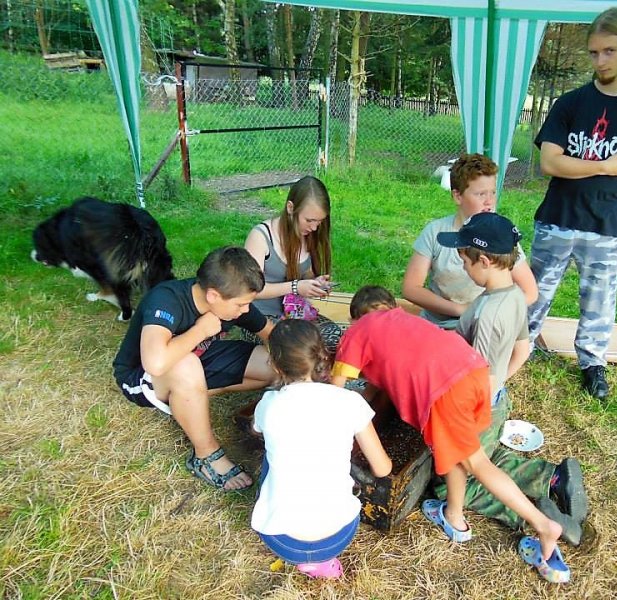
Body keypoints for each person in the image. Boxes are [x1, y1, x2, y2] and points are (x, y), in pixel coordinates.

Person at [331, 286, 569, 584]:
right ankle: (454, 517)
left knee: (477, 463)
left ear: (355, 319)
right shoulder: (406, 321)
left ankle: (543, 525)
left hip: (445, 392)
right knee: (460, 453)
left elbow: (333, 395)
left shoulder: (357, 331)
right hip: (474, 372)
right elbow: (384, 377)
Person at [528, 6, 617, 399]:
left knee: (600, 302)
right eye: (594, 53)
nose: (601, 61)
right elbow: (550, 162)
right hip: (557, 218)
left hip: (608, 225)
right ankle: (519, 345)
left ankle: (592, 364)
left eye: (609, 51)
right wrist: (603, 166)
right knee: (533, 293)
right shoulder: (571, 103)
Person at [436, 212, 589, 548]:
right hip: (495, 401)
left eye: (465, 261)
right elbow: (522, 350)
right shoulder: (514, 296)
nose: (463, 267)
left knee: (453, 480)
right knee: (485, 458)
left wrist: (466, 416)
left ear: (484, 261)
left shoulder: (488, 313)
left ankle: (532, 515)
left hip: (476, 406)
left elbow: (479, 376)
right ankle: (553, 478)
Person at [112, 246, 278, 491]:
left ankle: (188, 398)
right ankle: (205, 455)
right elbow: (155, 362)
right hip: (143, 377)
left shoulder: (230, 299)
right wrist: (200, 330)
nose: (245, 310)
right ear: (213, 295)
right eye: (242, 305)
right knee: (186, 363)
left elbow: (271, 335)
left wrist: (302, 367)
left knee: (272, 365)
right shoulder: (167, 299)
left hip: (197, 361)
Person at [251, 319, 391, 579]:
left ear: (275, 365)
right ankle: (323, 563)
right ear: (322, 356)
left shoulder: (268, 404)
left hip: (282, 540)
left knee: (272, 454)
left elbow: (256, 430)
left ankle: (304, 557)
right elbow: (383, 469)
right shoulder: (350, 401)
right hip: (337, 536)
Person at [402, 153, 538, 330]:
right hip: (438, 324)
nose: (489, 201)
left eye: (493, 192)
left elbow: (530, 292)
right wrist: (460, 310)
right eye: (481, 194)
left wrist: (490, 311)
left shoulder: (499, 234)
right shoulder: (436, 231)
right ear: (457, 196)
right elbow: (411, 288)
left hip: (483, 324)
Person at [243, 175, 341, 351]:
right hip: (260, 318)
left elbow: (305, 273)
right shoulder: (261, 237)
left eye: (319, 222)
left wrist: (315, 283)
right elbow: (251, 290)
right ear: (290, 208)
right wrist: (296, 287)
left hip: (295, 314)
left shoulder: (307, 235)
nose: (314, 228)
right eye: (309, 220)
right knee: (298, 347)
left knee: (335, 337)